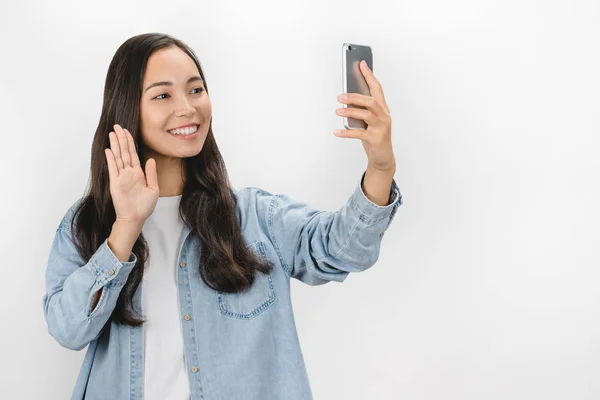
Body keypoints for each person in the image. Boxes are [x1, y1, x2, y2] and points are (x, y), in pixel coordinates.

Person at [42, 32, 402, 400]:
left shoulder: (257, 218)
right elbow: (67, 329)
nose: (188, 108)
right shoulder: (86, 224)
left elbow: (344, 251)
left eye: (196, 89)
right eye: (163, 95)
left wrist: (380, 166)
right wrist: (126, 228)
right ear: (127, 108)